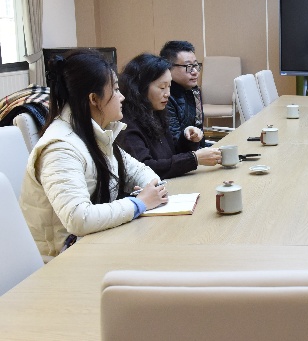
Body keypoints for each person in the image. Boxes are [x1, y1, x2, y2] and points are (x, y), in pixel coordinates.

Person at [19, 49, 168, 257]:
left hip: (95, 243)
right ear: (94, 99)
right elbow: (78, 218)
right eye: (115, 90)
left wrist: (150, 190)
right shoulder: (60, 148)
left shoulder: (96, 132)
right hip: (63, 260)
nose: (122, 97)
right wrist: (139, 203)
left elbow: (140, 171)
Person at [118, 53, 222, 179]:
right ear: (140, 88)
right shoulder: (127, 124)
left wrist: (188, 140)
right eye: (162, 87)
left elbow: (171, 156)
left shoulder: (155, 112)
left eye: (169, 86)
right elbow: (145, 168)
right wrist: (194, 158)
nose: (167, 93)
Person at [159, 40, 206, 148]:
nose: (195, 72)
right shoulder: (165, 97)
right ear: (168, 67)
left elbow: (199, 129)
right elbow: (175, 142)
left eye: (195, 65)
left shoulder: (194, 90)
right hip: (182, 155)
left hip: (195, 151)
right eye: (188, 66)